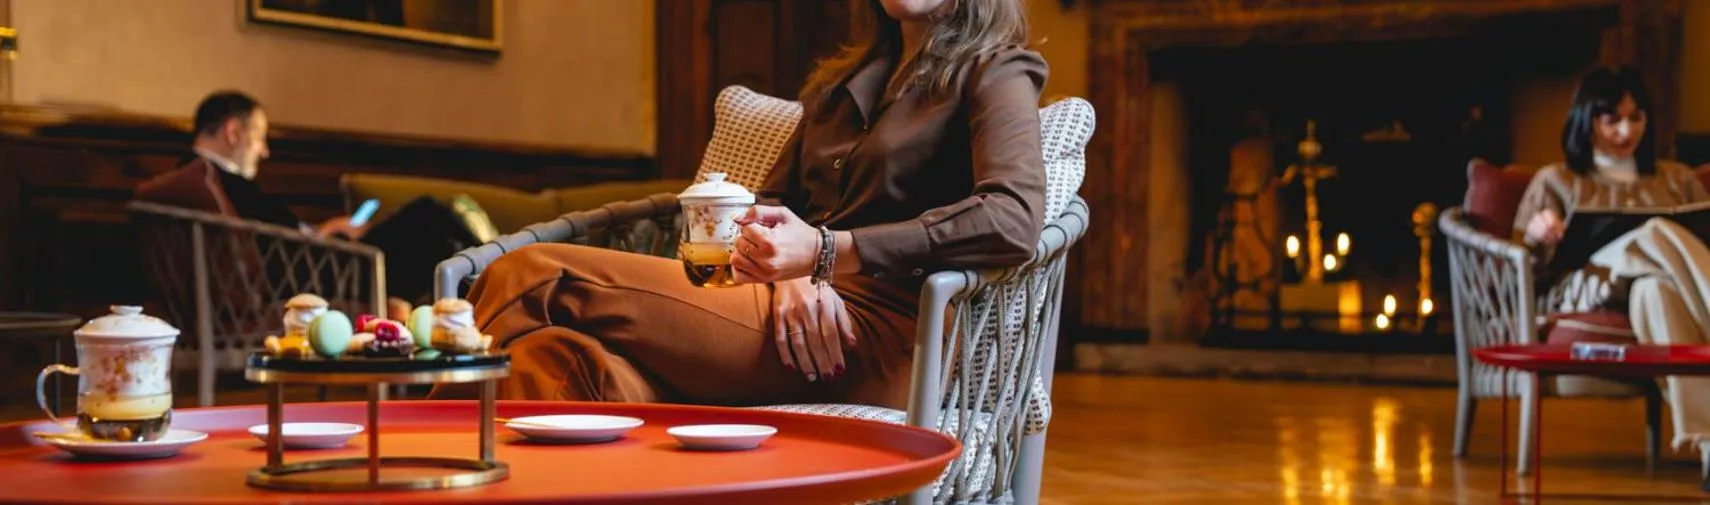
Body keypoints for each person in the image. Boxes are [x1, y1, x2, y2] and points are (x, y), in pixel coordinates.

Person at [433, 0, 1046, 408]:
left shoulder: (996, 71)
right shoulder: (841, 82)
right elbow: (774, 199)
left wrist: (829, 255)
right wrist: (792, 271)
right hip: (776, 303)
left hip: (880, 334)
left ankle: (407, 457)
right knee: (559, 361)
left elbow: (1013, 217)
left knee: (531, 272)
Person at [1512, 66, 1710, 461]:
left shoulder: (1677, 178)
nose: (1626, 131)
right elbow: (1520, 271)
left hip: (1651, 289)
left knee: (1656, 291)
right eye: (1612, 120)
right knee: (1653, 231)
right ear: (1587, 122)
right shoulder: (1556, 180)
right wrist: (1536, 236)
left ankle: (1708, 446)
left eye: (1636, 118)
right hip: (1582, 291)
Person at [136, 91, 480, 315]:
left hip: (305, 264)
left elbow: (265, 234)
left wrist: (323, 231)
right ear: (232, 132)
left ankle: (490, 272)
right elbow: (271, 242)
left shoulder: (195, 180)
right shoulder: (217, 179)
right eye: (260, 137)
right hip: (309, 276)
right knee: (429, 217)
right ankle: (499, 273)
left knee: (439, 237)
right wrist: (322, 239)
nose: (264, 151)